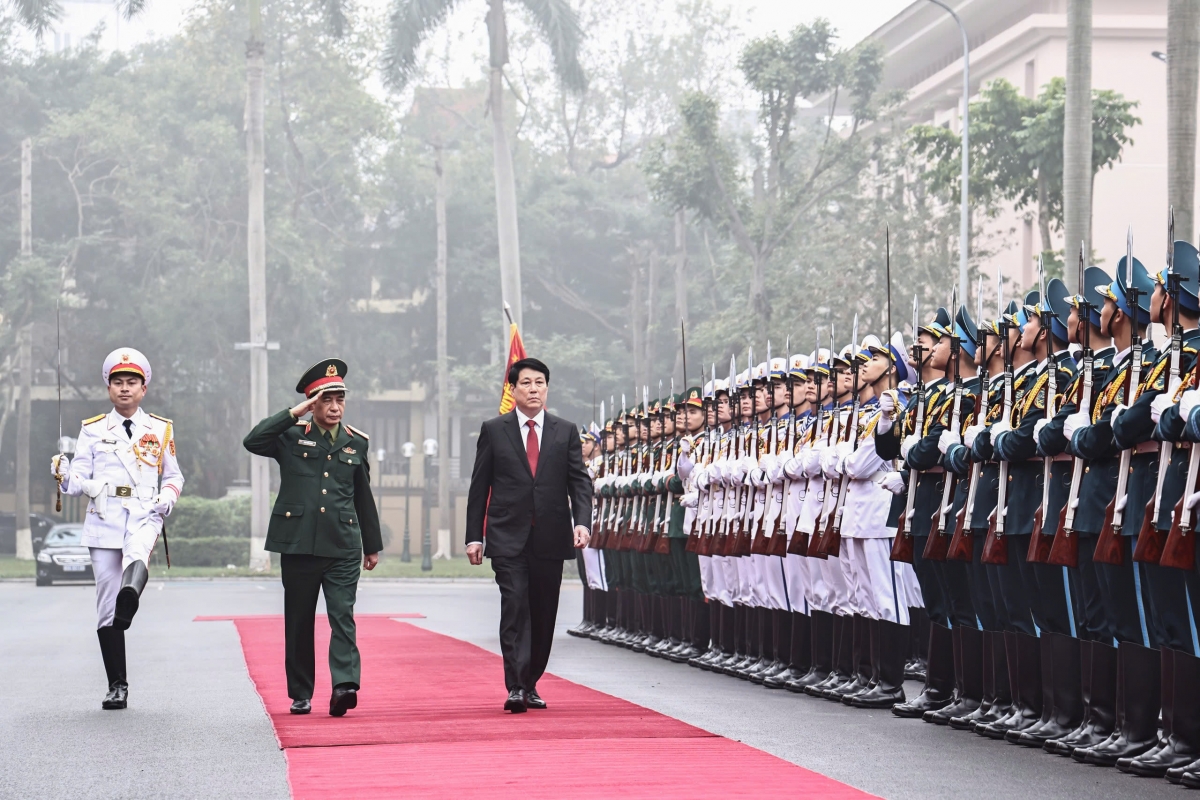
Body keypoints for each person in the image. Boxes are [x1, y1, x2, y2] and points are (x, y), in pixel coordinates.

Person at [242, 359, 381, 717]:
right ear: (312, 403)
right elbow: (253, 440)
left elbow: (362, 494)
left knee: (342, 615)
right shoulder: (290, 437)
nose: (334, 407)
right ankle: (301, 692)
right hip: (299, 545)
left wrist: (372, 544)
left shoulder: (356, 443)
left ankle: (344, 685)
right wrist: (295, 413)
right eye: (326, 400)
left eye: (340, 400)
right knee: (299, 619)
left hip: (343, 544)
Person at [53, 348, 184, 710]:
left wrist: (167, 499)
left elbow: (173, 476)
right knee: (106, 601)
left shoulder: (160, 428)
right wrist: (64, 476)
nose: (124, 389)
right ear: (109, 387)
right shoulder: (92, 429)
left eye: (132, 382)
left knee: (138, 553)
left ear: (144, 388)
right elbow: (79, 479)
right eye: (118, 382)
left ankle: (131, 596)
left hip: (144, 511)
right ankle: (117, 685)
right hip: (104, 515)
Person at [465, 357, 593, 713]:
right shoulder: (494, 429)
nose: (533, 389)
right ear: (513, 388)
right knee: (515, 606)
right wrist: (474, 536)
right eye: (526, 383)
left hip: (551, 536)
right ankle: (516, 686)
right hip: (507, 536)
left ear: (546, 388)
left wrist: (581, 522)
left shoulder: (564, 430)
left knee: (542, 611)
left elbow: (579, 481)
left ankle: (532, 680)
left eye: (539, 383)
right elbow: (480, 487)